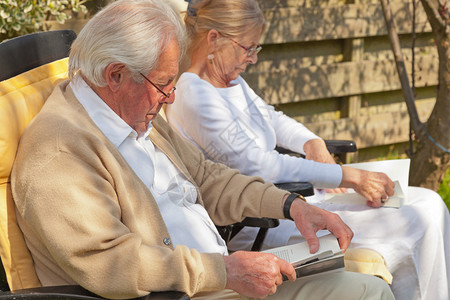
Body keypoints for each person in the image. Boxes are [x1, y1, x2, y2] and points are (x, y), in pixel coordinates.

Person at [10, 0, 396, 299]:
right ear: (115, 75)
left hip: (221, 281)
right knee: (367, 292)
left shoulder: (132, 112)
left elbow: (209, 179)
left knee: (366, 288)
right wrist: (223, 272)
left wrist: (292, 207)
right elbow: (110, 263)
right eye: (164, 85)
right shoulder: (59, 153)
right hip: (187, 290)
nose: (172, 97)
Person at [165, 0, 450, 299]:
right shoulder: (194, 94)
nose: (253, 59)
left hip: (296, 198)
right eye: (247, 48)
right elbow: (261, 167)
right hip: (268, 220)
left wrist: (311, 142)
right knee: (417, 220)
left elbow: (272, 118)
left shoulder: (227, 81)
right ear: (214, 39)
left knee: (429, 202)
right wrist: (346, 175)